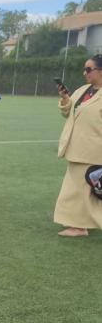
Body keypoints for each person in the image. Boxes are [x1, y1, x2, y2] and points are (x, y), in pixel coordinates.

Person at [55, 55, 102, 236]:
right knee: (81, 190)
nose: (85, 73)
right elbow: (68, 112)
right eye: (84, 69)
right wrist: (65, 99)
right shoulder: (84, 90)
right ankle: (79, 224)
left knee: (80, 190)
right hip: (75, 147)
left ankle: (79, 227)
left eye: (89, 69)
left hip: (93, 150)